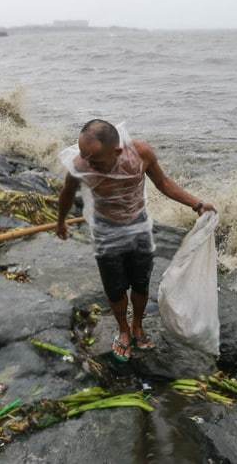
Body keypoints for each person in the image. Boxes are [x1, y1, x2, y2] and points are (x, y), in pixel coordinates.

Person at [56, 119, 216, 361]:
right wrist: (60, 222)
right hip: (105, 233)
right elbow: (67, 193)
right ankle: (123, 330)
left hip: (139, 229)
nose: (87, 163)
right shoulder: (80, 165)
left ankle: (138, 325)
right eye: (83, 155)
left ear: (117, 151)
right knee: (115, 287)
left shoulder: (140, 154)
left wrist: (196, 203)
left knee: (140, 283)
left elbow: (163, 183)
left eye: (95, 159)